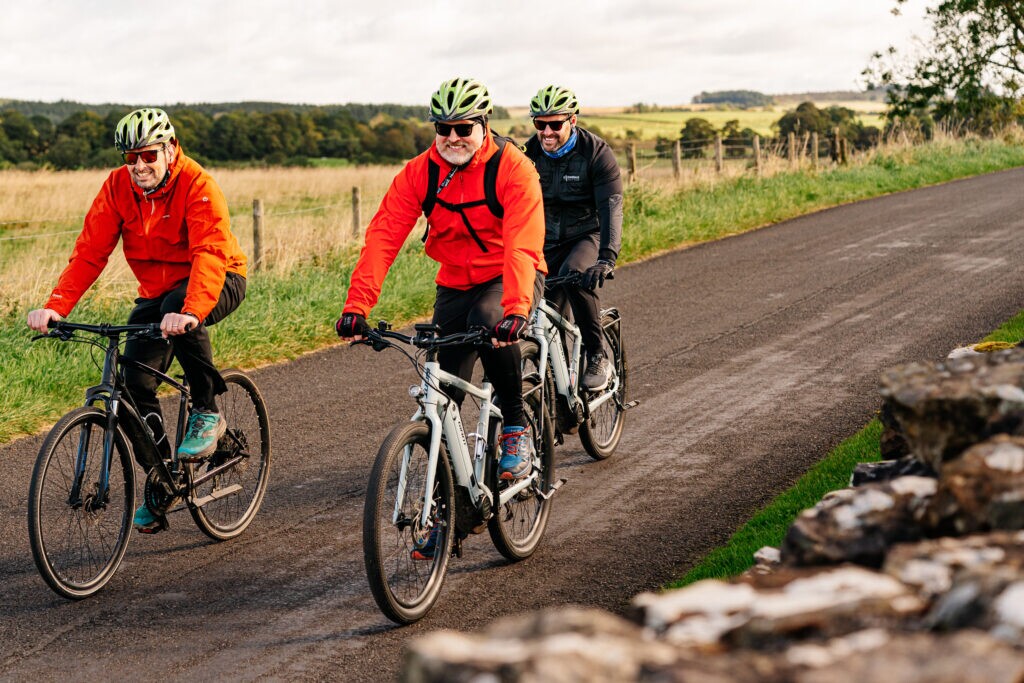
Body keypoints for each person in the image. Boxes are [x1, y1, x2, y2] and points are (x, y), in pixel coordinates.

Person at [26, 107, 248, 533]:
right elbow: (90, 252)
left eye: (148, 155)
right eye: (131, 158)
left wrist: (191, 312)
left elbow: (209, 253)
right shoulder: (117, 187)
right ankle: (163, 478)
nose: (139, 166)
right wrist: (57, 306)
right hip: (157, 294)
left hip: (220, 278)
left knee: (177, 306)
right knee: (131, 384)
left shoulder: (198, 184)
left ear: (170, 150)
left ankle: (207, 411)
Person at [336, 77, 546, 514]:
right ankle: (447, 509)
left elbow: (522, 244)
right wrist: (357, 306)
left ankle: (514, 426)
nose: (452, 138)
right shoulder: (421, 171)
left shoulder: (513, 168)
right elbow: (383, 236)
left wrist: (516, 310)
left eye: (463, 128)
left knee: (488, 322)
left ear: (483, 125)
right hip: (454, 281)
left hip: (510, 277)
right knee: (444, 392)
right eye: (443, 128)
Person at [523, 85, 623, 391]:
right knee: (543, 314)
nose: (547, 132)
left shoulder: (596, 153)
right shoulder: (528, 154)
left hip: (586, 234)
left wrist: (606, 257)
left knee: (575, 273)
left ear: (572, 120)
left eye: (555, 124)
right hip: (546, 239)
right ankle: (559, 392)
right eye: (540, 124)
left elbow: (611, 207)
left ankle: (597, 354)